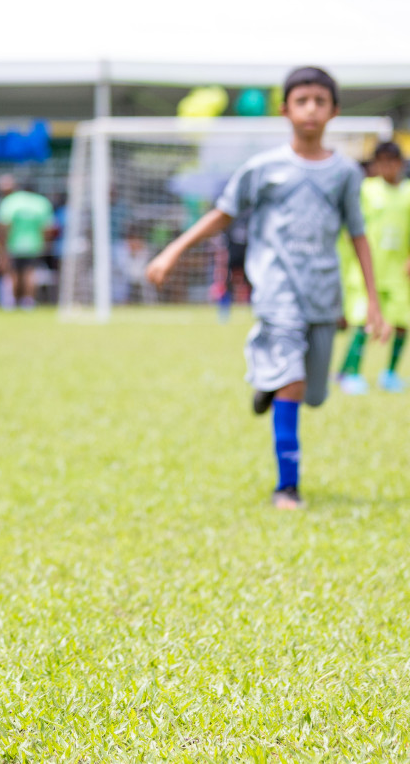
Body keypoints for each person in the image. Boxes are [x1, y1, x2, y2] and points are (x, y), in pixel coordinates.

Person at [146, 67, 387, 510]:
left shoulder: (346, 173)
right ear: (285, 110)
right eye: (302, 100)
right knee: (293, 380)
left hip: (322, 294)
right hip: (277, 290)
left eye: (320, 100)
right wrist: (172, 250)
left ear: (334, 110)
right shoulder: (263, 168)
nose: (310, 109)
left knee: (312, 394)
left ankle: (269, 385)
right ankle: (287, 486)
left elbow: (357, 234)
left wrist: (372, 301)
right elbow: (223, 212)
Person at [335, 141, 409, 393]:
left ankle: (389, 374)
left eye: (392, 162)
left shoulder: (408, 193)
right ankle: (351, 374)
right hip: (368, 270)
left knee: (401, 322)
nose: (388, 168)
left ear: (400, 163)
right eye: (382, 162)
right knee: (364, 323)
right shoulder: (366, 190)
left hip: (398, 272)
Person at [0, 175, 57, 309]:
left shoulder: (12, 201)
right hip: (34, 245)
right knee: (30, 273)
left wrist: (2, 246)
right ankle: (28, 302)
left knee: (14, 274)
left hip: (14, 244)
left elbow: (4, 226)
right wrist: (45, 244)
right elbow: (47, 228)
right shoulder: (41, 202)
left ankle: (13, 303)